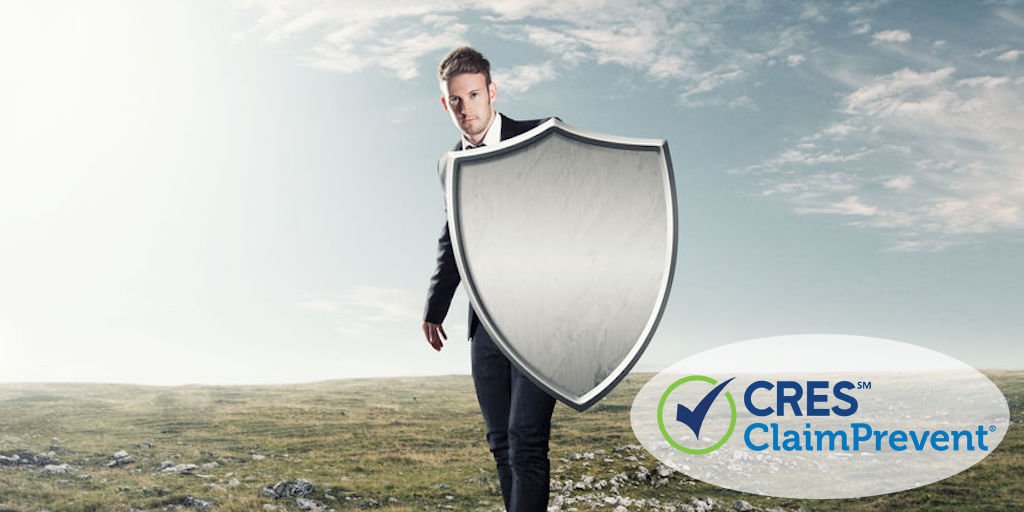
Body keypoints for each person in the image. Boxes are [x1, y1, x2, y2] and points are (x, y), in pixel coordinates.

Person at [421, 46, 557, 512]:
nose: (466, 108)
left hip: (539, 318)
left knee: (525, 441)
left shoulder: (542, 137)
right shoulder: (450, 164)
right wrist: (435, 307)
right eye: (455, 100)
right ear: (446, 103)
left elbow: (580, 209)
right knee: (501, 443)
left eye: (474, 95)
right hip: (485, 322)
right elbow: (451, 237)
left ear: (492, 91)